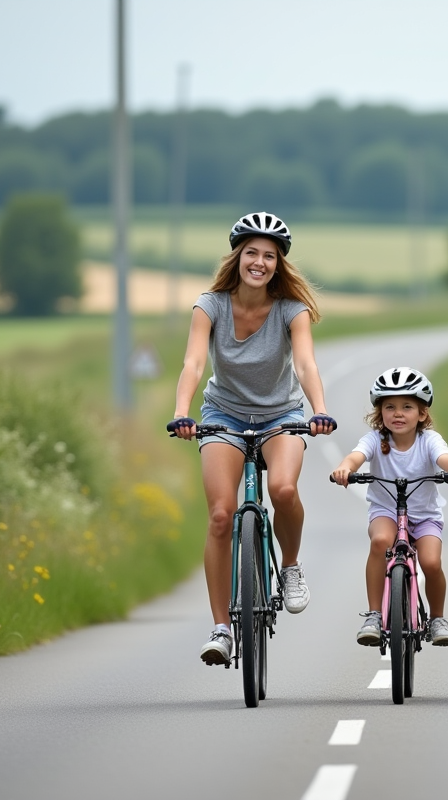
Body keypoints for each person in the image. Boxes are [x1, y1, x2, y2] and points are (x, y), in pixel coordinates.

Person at [168, 211, 336, 666]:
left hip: (280, 414)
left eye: (269, 256)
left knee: (282, 489)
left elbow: (304, 365)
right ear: (237, 257)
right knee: (222, 516)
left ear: (279, 264)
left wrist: (319, 410)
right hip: (222, 412)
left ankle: (291, 567)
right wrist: (182, 413)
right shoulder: (211, 305)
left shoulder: (290, 310)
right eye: (251, 253)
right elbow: (193, 364)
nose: (259, 262)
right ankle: (222, 627)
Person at [331, 367, 448, 647]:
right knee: (381, 541)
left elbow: (445, 459)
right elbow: (355, 457)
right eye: (390, 407)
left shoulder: (429, 440)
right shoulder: (375, 440)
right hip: (385, 512)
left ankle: (438, 618)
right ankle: (373, 614)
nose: (398, 413)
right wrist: (345, 469)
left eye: (407, 407)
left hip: (425, 516)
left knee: (431, 562)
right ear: (379, 412)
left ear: (421, 414)